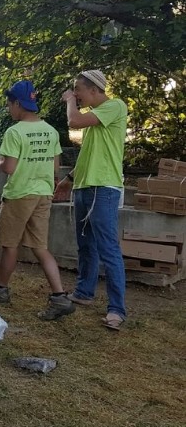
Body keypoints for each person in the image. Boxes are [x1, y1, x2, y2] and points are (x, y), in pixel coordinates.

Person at [0, 80, 74, 321]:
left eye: (9, 104)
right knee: (40, 247)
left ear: (17, 104)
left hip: (19, 195)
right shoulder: (50, 130)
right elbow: (55, 168)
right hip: (43, 193)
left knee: (10, 245)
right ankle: (60, 297)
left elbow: (9, 168)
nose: (9, 109)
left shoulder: (15, 132)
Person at [54, 70, 128, 330]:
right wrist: (68, 179)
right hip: (85, 186)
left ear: (94, 89)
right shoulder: (96, 121)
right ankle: (85, 292)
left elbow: (73, 121)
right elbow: (90, 153)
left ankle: (117, 309)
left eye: (79, 90)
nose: (76, 95)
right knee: (85, 245)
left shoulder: (115, 106)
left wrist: (68, 101)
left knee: (108, 248)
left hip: (104, 188)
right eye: (74, 91)